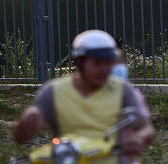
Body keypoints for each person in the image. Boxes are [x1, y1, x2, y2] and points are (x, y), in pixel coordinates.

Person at [13, 29, 155, 164]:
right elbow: (20, 138)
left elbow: (146, 129)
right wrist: (28, 120)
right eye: (97, 63)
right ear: (80, 61)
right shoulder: (53, 91)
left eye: (108, 63)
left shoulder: (123, 90)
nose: (104, 69)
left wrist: (139, 138)